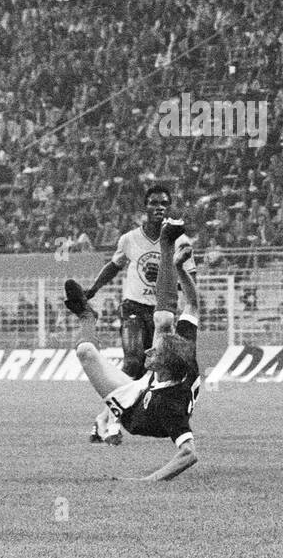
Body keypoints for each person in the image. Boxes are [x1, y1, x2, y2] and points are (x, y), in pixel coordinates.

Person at [66, 218, 199, 482]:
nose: (150, 352)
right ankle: (166, 249)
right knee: (164, 322)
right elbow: (193, 305)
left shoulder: (170, 407)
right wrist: (179, 269)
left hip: (134, 410)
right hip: (149, 386)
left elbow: (189, 454)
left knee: (85, 354)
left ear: (163, 366)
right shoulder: (182, 350)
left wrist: (146, 481)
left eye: (155, 355)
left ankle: (88, 321)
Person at [75, 185, 195, 445]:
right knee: (132, 360)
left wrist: (173, 284)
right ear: (146, 207)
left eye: (164, 203)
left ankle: (102, 419)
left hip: (161, 312)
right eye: (153, 203)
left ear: (169, 207)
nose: (159, 207)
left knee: (144, 372)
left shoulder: (180, 241)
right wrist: (93, 290)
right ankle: (114, 424)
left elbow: (190, 276)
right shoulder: (130, 239)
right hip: (133, 308)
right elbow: (113, 266)